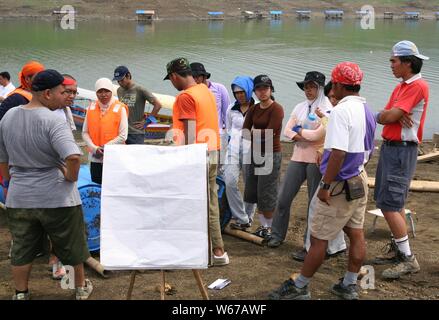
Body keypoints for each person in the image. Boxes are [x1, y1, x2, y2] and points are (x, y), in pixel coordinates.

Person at [268, 62, 376, 300]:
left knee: (318, 239)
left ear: (337, 84)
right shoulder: (366, 109)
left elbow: (337, 152)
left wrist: (326, 185)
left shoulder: (339, 111)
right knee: (356, 233)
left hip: (339, 181)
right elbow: (369, 147)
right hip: (358, 178)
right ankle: (348, 284)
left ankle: (300, 286)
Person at [0, 69, 93, 300]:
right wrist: (71, 178)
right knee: (71, 245)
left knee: (22, 248)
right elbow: (73, 157)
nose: (66, 97)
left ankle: (21, 293)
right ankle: (79, 288)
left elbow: (2, 160)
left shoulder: (9, 116)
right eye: (63, 92)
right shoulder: (53, 119)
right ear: (48, 94)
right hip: (56, 197)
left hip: (20, 196)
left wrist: (11, 183)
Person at [267, 72, 347, 262]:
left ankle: (308, 244)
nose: (308, 90)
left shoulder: (328, 109)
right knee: (283, 197)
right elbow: (287, 131)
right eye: (306, 87)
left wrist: (299, 132)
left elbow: (318, 135)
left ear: (320, 88)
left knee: (313, 203)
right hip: (298, 157)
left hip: (317, 160)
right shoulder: (300, 106)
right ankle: (277, 234)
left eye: (312, 87)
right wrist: (303, 134)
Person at [371, 40, 429, 279]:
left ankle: (408, 258)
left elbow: (389, 115)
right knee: (388, 200)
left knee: (391, 204)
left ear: (407, 62)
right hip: (391, 147)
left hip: (402, 150)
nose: (391, 65)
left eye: (394, 61)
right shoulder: (401, 87)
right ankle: (399, 248)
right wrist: (390, 115)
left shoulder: (418, 86)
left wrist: (392, 115)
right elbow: (385, 115)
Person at [164, 57, 229, 266]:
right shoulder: (205, 90)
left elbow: (190, 132)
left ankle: (214, 251)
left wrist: (184, 159)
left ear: (175, 76)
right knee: (209, 201)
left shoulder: (186, 97)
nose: (172, 84)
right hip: (212, 150)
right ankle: (215, 250)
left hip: (196, 154)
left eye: (171, 80)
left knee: (198, 203)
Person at [242, 75, 284, 240]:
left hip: (270, 154)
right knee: (254, 190)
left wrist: (256, 134)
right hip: (254, 153)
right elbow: (245, 131)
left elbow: (269, 133)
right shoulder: (254, 108)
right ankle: (263, 225)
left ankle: (270, 227)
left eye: (265, 88)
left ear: (271, 89)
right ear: (255, 92)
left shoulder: (277, 109)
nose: (262, 92)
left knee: (267, 192)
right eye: (259, 89)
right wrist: (258, 135)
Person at [224, 76, 256, 230]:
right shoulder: (231, 108)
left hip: (252, 148)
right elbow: (228, 130)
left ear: (249, 90)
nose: (239, 95)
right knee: (229, 181)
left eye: (242, 92)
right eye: (236, 93)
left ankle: (248, 218)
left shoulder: (257, 107)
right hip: (234, 148)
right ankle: (241, 216)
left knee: (250, 185)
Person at [82, 78, 128, 184]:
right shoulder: (90, 108)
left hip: (114, 156)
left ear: (111, 91)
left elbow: (123, 136)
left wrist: (104, 148)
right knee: (97, 184)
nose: (103, 94)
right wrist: (94, 148)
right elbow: (85, 132)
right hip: (95, 156)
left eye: (106, 91)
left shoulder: (120, 109)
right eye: (100, 91)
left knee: (114, 185)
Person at [190, 62, 231, 176]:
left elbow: (226, 112)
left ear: (204, 76)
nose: (195, 79)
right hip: (199, 137)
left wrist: (227, 134)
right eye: (193, 77)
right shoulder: (190, 93)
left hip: (217, 135)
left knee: (218, 168)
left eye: (198, 76)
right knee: (201, 169)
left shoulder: (219, 89)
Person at [113, 66, 162, 144]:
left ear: (128, 76)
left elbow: (158, 105)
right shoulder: (119, 90)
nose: (120, 83)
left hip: (136, 133)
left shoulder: (140, 90)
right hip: (122, 131)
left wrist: (147, 121)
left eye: (122, 80)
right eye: (118, 81)